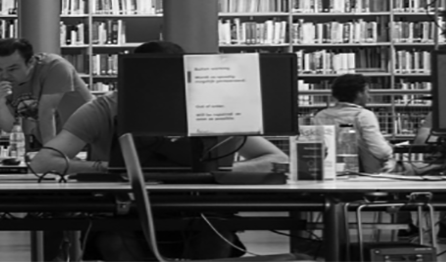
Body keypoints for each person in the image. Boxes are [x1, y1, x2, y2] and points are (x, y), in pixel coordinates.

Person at [28, 41, 292, 261]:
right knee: (114, 242)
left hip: (198, 209)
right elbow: (44, 162)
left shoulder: (209, 106)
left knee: (214, 236)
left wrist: (217, 171)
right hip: (124, 211)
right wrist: (110, 168)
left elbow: (278, 160)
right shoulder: (105, 109)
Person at [0, 38, 93, 150]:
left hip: (88, 135)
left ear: (31, 63)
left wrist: (50, 153)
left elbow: (47, 113)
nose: (4, 75)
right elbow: (9, 127)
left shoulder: (55, 66)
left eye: (12, 69)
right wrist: (0, 102)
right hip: (49, 137)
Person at [313, 73, 394, 173]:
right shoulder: (364, 115)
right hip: (360, 173)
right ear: (359, 94)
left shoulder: (320, 116)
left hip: (327, 171)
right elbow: (380, 151)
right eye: (367, 92)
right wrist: (389, 149)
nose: (369, 97)